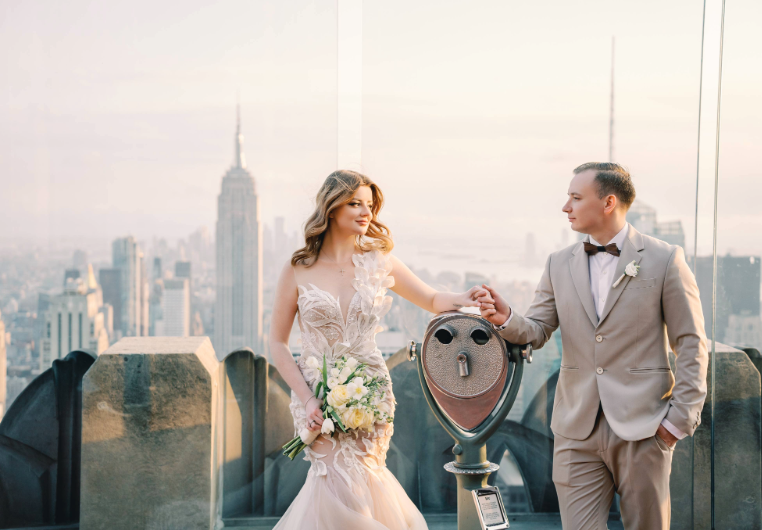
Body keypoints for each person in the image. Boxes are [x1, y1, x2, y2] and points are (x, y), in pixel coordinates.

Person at [477, 162, 708, 530]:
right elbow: (537, 329)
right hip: (575, 428)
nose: (565, 207)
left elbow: (691, 343)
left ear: (608, 202)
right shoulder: (558, 263)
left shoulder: (665, 259)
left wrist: (677, 423)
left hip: (645, 427)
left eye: (575, 197)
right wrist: (506, 317)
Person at [270, 170, 487, 530]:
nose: (365, 211)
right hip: (316, 398)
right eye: (355, 203)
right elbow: (276, 342)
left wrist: (464, 300)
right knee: (337, 485)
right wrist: (308, 400)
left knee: (366, 481)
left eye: (369, 204)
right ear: (331, 207)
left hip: (371, 393)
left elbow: (431, 298)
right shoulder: (298, 268)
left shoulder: (379, 261)